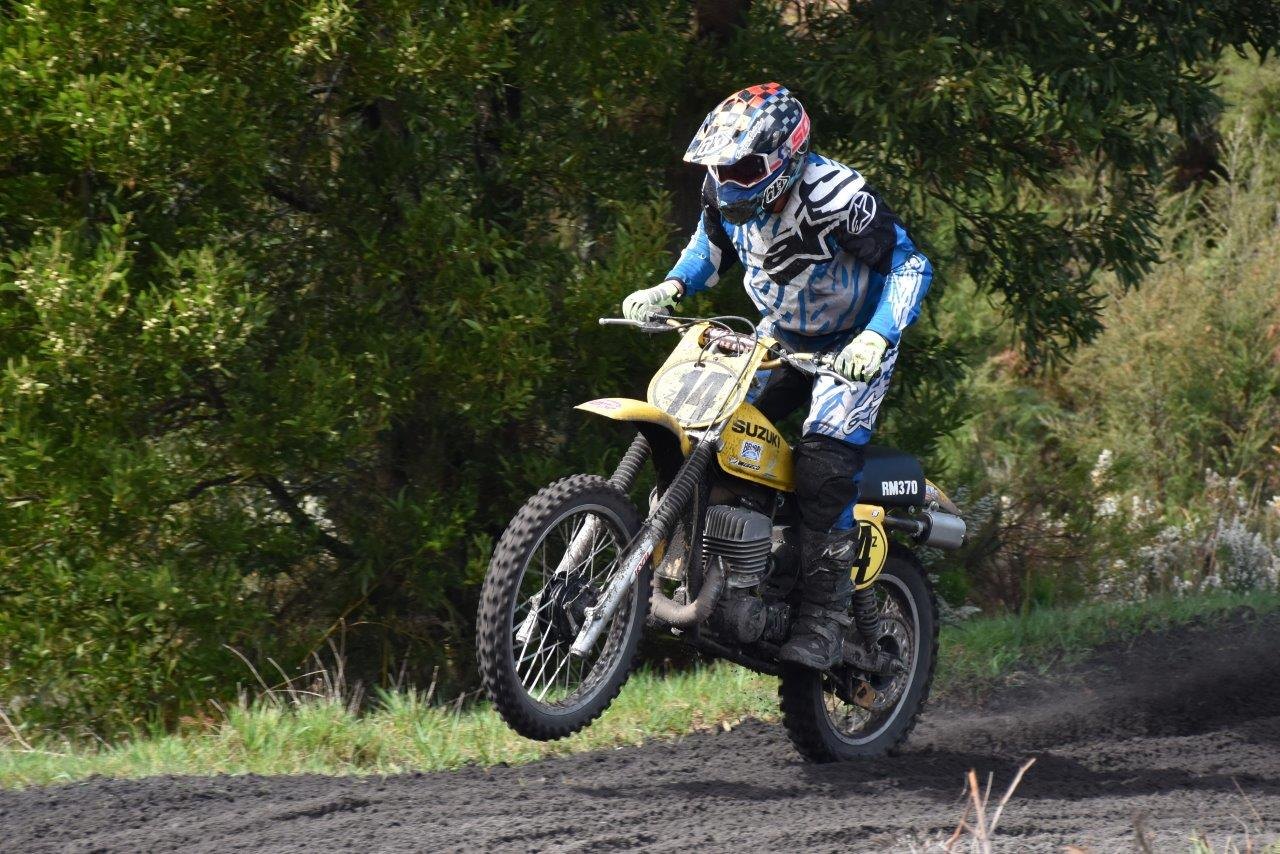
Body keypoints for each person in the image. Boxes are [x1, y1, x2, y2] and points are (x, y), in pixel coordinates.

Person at [621, 82, 933, 670]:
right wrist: (670, 286)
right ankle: (736, 565)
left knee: (821, 465)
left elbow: (910, 264)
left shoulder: (840, 198)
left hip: (852, 344)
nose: (727, 181)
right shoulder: (721, 191)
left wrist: (876, 337)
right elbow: (709, 250)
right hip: (777, 336)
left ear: (785, 158)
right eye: (720, 168)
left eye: (743, 168)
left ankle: (823, 620)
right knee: (710, 430)